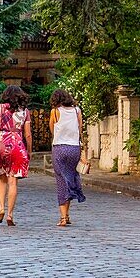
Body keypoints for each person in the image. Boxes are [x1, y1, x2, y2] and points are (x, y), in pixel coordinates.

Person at [0, 85, 32, 227]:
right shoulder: (25, 111)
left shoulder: (0, 108)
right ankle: (10, 215)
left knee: (1, 178)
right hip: (18, 146)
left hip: (2, 144)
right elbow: (27, 134)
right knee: (13, 182)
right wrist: (29, 151)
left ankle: (1, 208)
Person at [48, 88, 87, 226]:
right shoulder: (77, 111)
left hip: (59, 148)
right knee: (70, 178)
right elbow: (80, 128)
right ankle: (67, 215)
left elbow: (52, 129)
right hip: (74, 148)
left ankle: (63, 217)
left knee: (61, 181)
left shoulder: (55, 112)